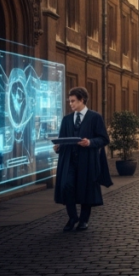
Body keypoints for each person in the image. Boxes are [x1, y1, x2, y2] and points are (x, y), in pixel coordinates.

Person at [53, 87, 113, 232]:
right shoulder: (67, 120)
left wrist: (90, 142)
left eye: (73, 101)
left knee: (86, 188)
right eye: (70, 101)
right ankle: (73, 217)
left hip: (87, 161)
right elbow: (62, 140)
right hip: (69, 161)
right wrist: (58, 147)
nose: (71, 104)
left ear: (82, 100)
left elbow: (104, 139)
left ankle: (84, 220)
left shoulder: (95, 117)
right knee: (67, 186)